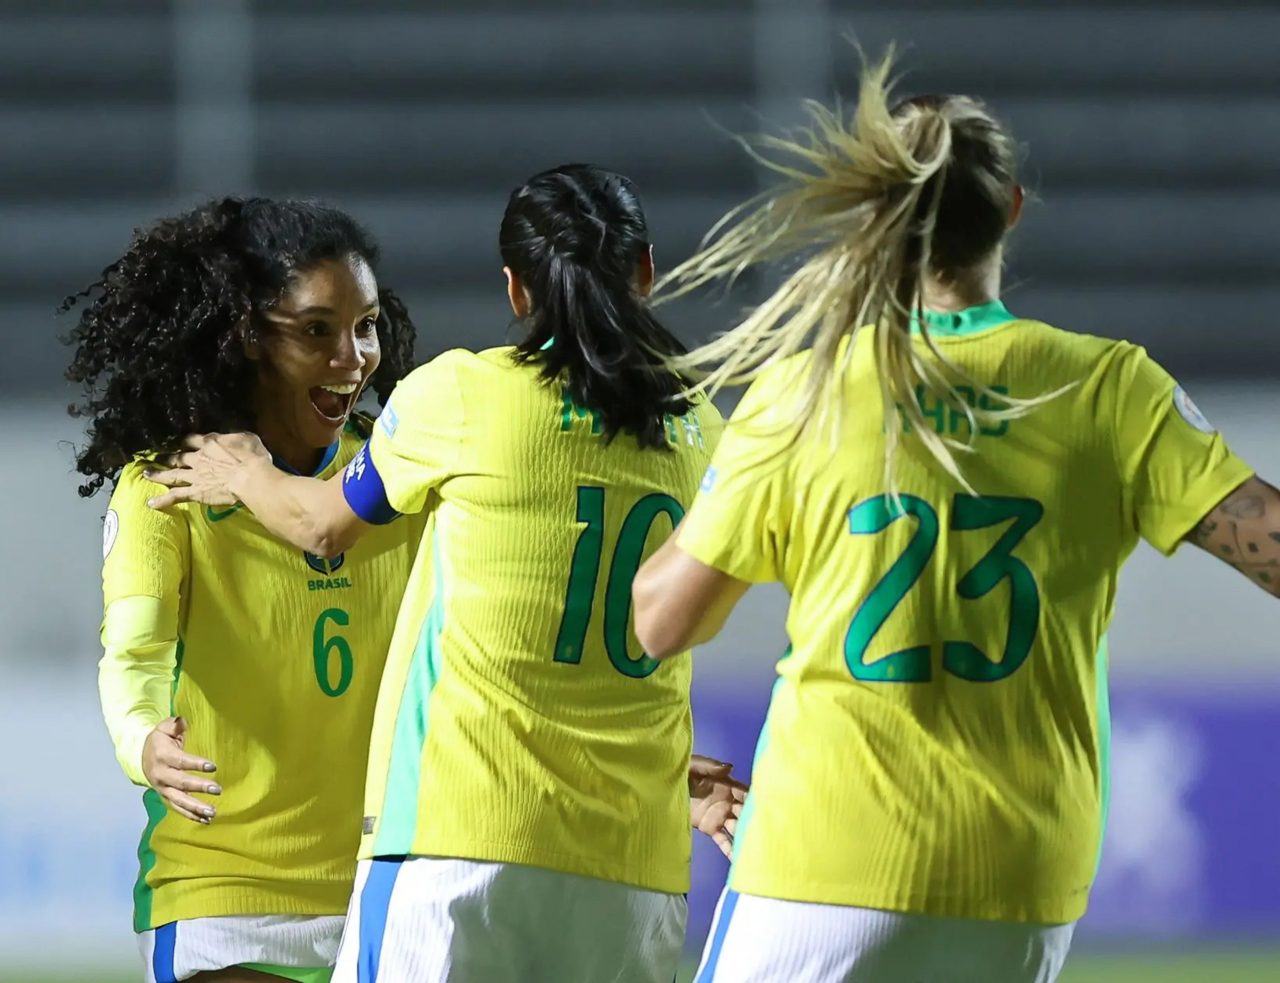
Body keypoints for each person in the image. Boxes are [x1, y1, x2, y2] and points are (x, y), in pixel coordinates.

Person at [630, 57, 1275, 983]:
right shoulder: (1109, 388)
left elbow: (660, 621)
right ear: (1011, 208)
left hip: (823, 858)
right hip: (1020, 884)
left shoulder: (804, 393)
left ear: (877, 224)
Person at [145, 164, 745, 983]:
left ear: (514, 288)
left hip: (458, 844)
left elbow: (321, 525)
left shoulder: (463, 394)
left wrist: (244, 469)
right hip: (632, 866)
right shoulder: (702, 423)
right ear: (645, 270)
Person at [65, 196, 423, 983]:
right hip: (221, 882)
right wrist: (144, 740)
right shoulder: (169, 484)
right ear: (250, 338)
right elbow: (134, 655)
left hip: (385, 883)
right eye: (317, 330)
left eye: (366, 326)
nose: (354, 357)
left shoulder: (399, 475)